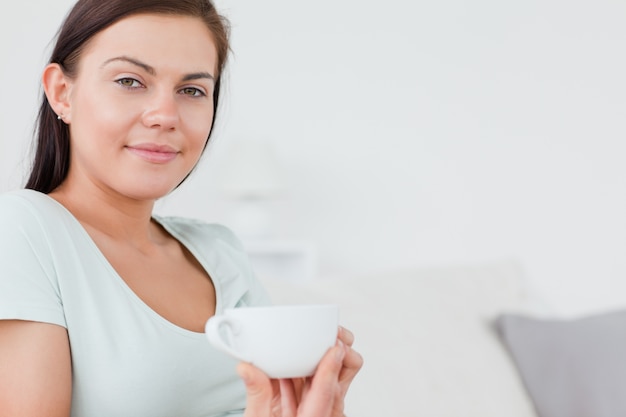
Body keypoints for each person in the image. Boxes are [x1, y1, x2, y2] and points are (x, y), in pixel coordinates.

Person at [0, 0, 363, 416]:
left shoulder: (219, 252)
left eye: (192, 90)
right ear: (62, 93)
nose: (165, 116)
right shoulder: (22, 230)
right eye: (130, 81)